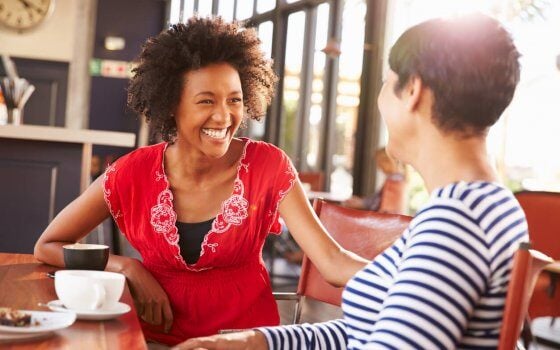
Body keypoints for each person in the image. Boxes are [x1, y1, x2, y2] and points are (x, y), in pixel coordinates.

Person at [174, 13, 529, 349]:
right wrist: (258, 342)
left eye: (387, 82)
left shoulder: (457, 222)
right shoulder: (479, 208)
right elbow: (365, 331)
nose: (380, 100)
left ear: (412, 91)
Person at [33, 17, 367, 346]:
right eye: (206, 100)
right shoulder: (131, 173)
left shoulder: (269, 166)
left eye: (234, 100)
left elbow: (333, 262)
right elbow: (48, 246)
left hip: (242, 342)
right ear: (171, 105)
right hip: (150, 340)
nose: (223, 117)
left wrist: (414, 275)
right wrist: (126, 267)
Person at [343, 147, 407, 215]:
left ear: (388, 161)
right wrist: (361, 202)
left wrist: (362, 203)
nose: (379, 167)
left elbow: (382, 204)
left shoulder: (395, 180)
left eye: (380, 163)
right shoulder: (396, 178)